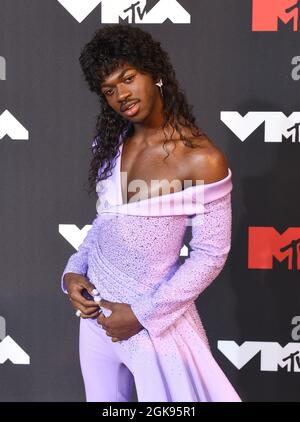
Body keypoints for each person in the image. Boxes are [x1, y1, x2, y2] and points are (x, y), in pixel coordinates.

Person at [61, 24, 241, 402]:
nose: (121, 94)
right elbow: (105, 223)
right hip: (96, 323)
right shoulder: (110, 146)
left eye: (128, 78)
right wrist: (73, 271)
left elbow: (211, 254)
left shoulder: (201, 158)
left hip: (152, 326)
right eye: (109, 89)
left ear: (154, 72)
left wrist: (141, 314)